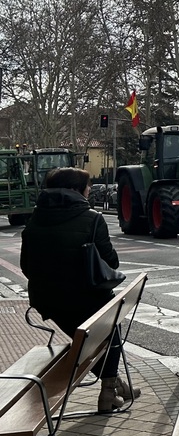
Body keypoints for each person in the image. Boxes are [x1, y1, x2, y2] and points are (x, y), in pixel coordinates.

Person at [20, 167, 138, 413]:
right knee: (110, 324)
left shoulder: (34, 219)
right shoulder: (93, 218)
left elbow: (26, 266)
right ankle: (108, 392)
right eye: (87, 187)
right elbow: (111, 262)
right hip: (88, 299)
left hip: (47, 301)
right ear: (75, 190)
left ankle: (116, 385)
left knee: (87, 339)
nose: (90, 191)